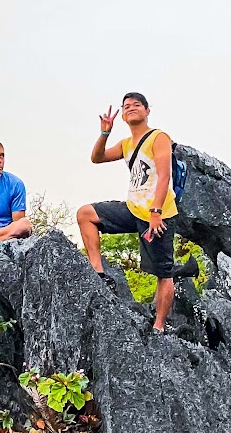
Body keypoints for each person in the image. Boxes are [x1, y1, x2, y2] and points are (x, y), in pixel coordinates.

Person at [77, 92, 192, 332]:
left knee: (163, 272)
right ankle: (98, 272)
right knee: (85, 214)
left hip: (158, 214)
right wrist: (104, 132)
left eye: (136, 105)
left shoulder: (158, 137)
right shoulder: (127, 144)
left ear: (147, 111)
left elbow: (164, 176)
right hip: (133, 209)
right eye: (126, 106)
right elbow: (96, 158)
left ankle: (159, 327)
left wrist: (156, 211)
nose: (130, 108)